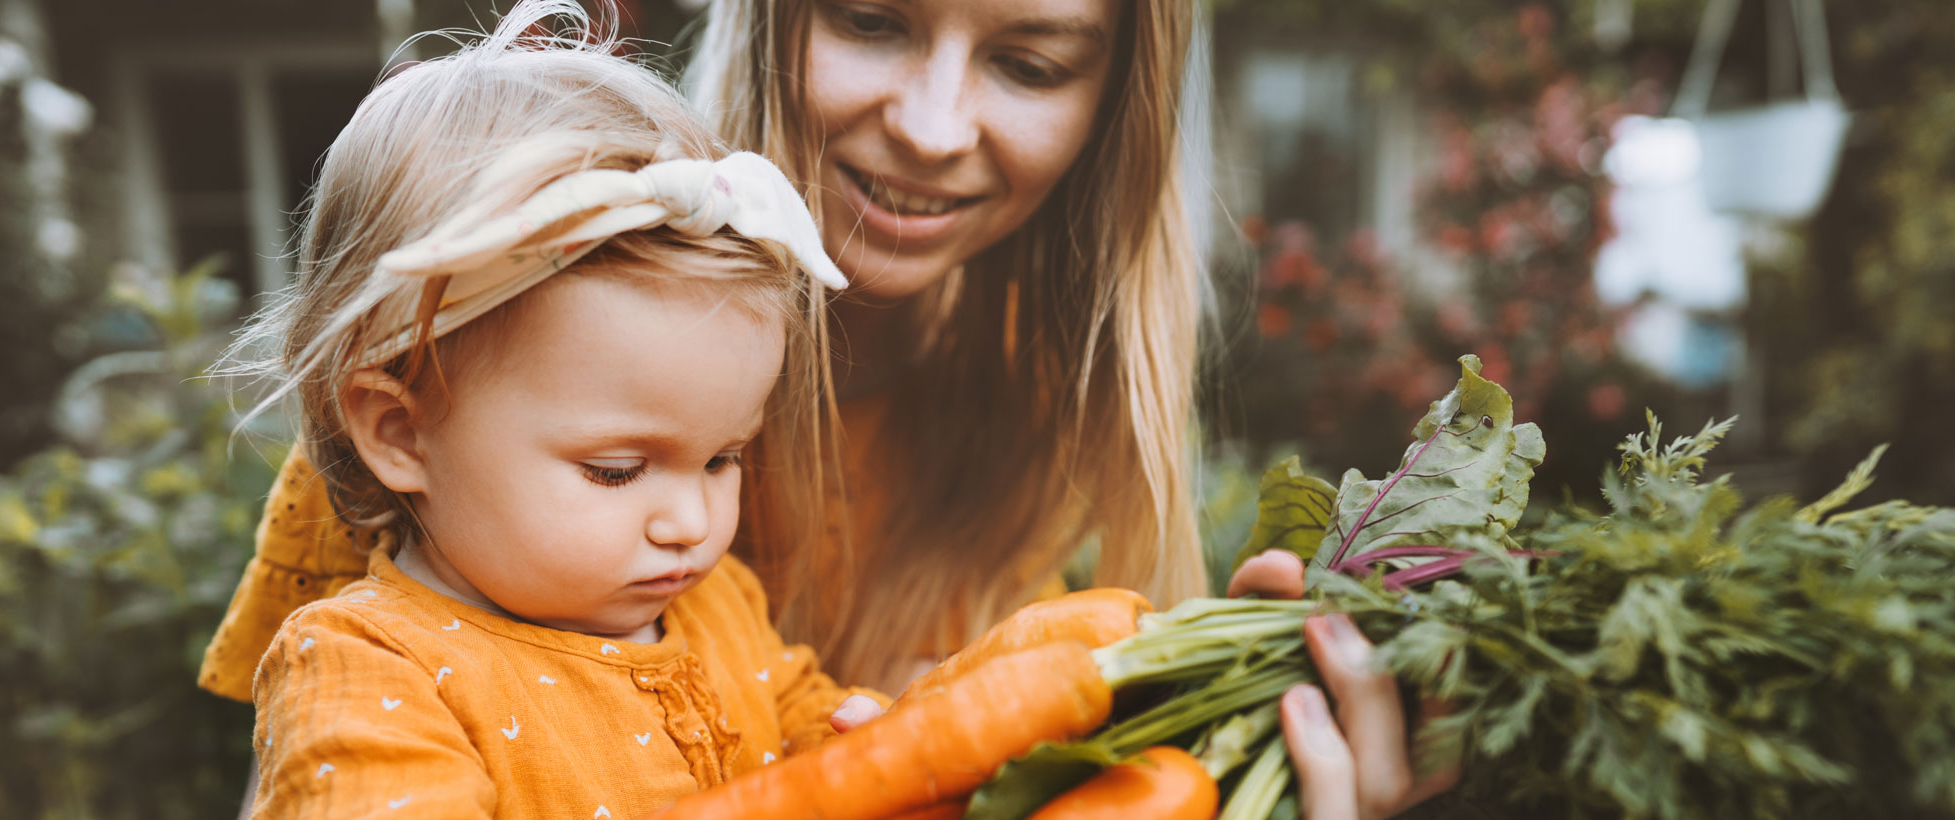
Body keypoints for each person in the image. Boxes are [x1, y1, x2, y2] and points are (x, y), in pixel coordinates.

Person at [206, 0, 1455, 814]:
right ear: (394, 431)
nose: (929, 127)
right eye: (871, 18)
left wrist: (1182, 717)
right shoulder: (469, 338)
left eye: (1028, 60)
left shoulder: (752, 582)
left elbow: (867, 747)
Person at [231, 6, 886, 816]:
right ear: (401, 433)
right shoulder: (370, 671)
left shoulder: (718, 607)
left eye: (723, 458)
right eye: (615, 471)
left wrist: (864, 745)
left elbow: (797, 720)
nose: (690, 521)